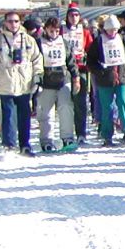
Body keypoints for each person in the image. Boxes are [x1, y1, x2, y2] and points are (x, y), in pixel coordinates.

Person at [0, 12, 44, 155]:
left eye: (16, 21)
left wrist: (38, 78)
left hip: (24, 85)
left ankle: (25, 144)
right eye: (10, 21)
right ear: (5, 23)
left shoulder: (29, 40)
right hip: (6, 84)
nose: (13, 24)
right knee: (8, 116)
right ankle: (9, 145)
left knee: (25, 116)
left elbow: (37, 60)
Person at [86, 14, 125, 146]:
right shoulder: (99, 41)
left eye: (115, 29)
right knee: (107, 107)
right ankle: (107, 135)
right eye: (111, 29)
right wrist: (99, 71)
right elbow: (91, 61)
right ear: (105, 29)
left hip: (122, 76)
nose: (113, 32)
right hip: (105, 79)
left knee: (123, 103)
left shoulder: (122, 40)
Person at [36, 17, 79, 151]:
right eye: (51, 30)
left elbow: (71, 62)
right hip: (46, 82)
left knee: (66, 108)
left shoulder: (63, 43)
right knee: (46, 112)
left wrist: (75, 78)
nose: (54, 33)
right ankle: (46, 140)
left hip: (63, 80)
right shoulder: (39, 43)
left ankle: (67, 138)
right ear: (45, 29)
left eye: (56, 31)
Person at [62, 4, 93, 144]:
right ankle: (67, 134)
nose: (74, 18)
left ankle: (81, 133)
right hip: (64, 70)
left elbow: (91, 48)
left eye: (76, 15)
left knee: (80, 103)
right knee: (66, 104)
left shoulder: (84, 32)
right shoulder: (61, 31)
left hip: (80, 69)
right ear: (67, 16)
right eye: (71, 15)